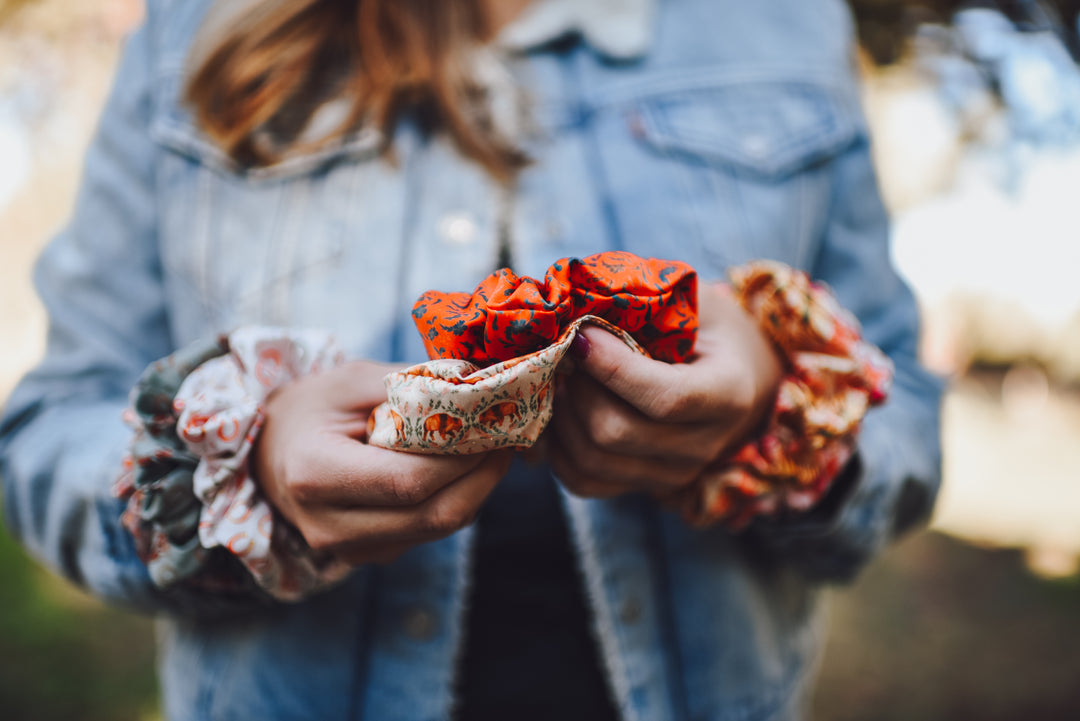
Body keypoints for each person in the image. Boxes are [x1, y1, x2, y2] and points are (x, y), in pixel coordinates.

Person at [0, 0, 944, 719]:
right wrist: (242, 469)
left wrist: (774, 405)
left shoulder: (782, 24)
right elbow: (50, 427)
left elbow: (906, 414)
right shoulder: (195, 28)